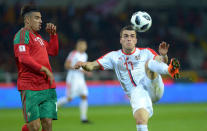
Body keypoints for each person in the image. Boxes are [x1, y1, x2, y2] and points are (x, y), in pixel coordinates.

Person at [75, 25, 180, 131]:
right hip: (137, 93)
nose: (129, 38)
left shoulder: (146, 52)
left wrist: (163, 56)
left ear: (136, 40)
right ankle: (169, 70)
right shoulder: (113, 57)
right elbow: (92, 65)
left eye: (132, 36)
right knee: (140, 120)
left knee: (149, 63)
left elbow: (161, 61)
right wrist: (83, 64)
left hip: (153, 85)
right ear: (121, 40)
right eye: (125, 36)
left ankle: (170, 70)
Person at [13, 5, 59, 131]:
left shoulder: (39, 38)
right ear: (27, 20)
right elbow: (23, 58)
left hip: (47, 86)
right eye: (37, 18)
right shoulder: (22, 35)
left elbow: (53, 51)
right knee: (34, 127)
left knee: (48, 124)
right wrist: (43, 69)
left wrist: (53, 36)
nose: (41, 21)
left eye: (41, 18)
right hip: (30, 86)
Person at [57, 39, 91, 123]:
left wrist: (86, 71)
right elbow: (67, 65)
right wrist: (77, 68)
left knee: (84, 96)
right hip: (73, 78)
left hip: (81, 79)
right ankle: (53, 107)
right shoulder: (73, 54)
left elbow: (83, 67)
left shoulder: (85, 55)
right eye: (82, 45)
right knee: (69, 98)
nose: (84, 47)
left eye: (85, 45)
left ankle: (84, 118)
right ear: (78, 46)